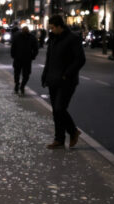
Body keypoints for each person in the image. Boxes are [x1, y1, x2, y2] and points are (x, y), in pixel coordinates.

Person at [41, 15, 86, 149]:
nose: (51, 30)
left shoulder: (72, 38)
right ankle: (59, 139)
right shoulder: (53, 39)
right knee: (55, 111)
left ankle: (73, 131)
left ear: (60, 26)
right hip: (53, 79)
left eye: (53, 27)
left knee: (60, 108)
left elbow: (80, 59)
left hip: (67, 81)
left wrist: (67, 74)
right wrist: (45, 76)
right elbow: (49, 59)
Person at [10, 25, 39, 95]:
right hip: (22, 59)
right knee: (21, 74)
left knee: (22, 74)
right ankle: (19, 85)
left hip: (23, 59)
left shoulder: (30, 37)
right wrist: (33, 56)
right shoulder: (28, 37)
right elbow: (13, 47)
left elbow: (36, 48)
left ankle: (20, 85)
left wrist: (33, 56)